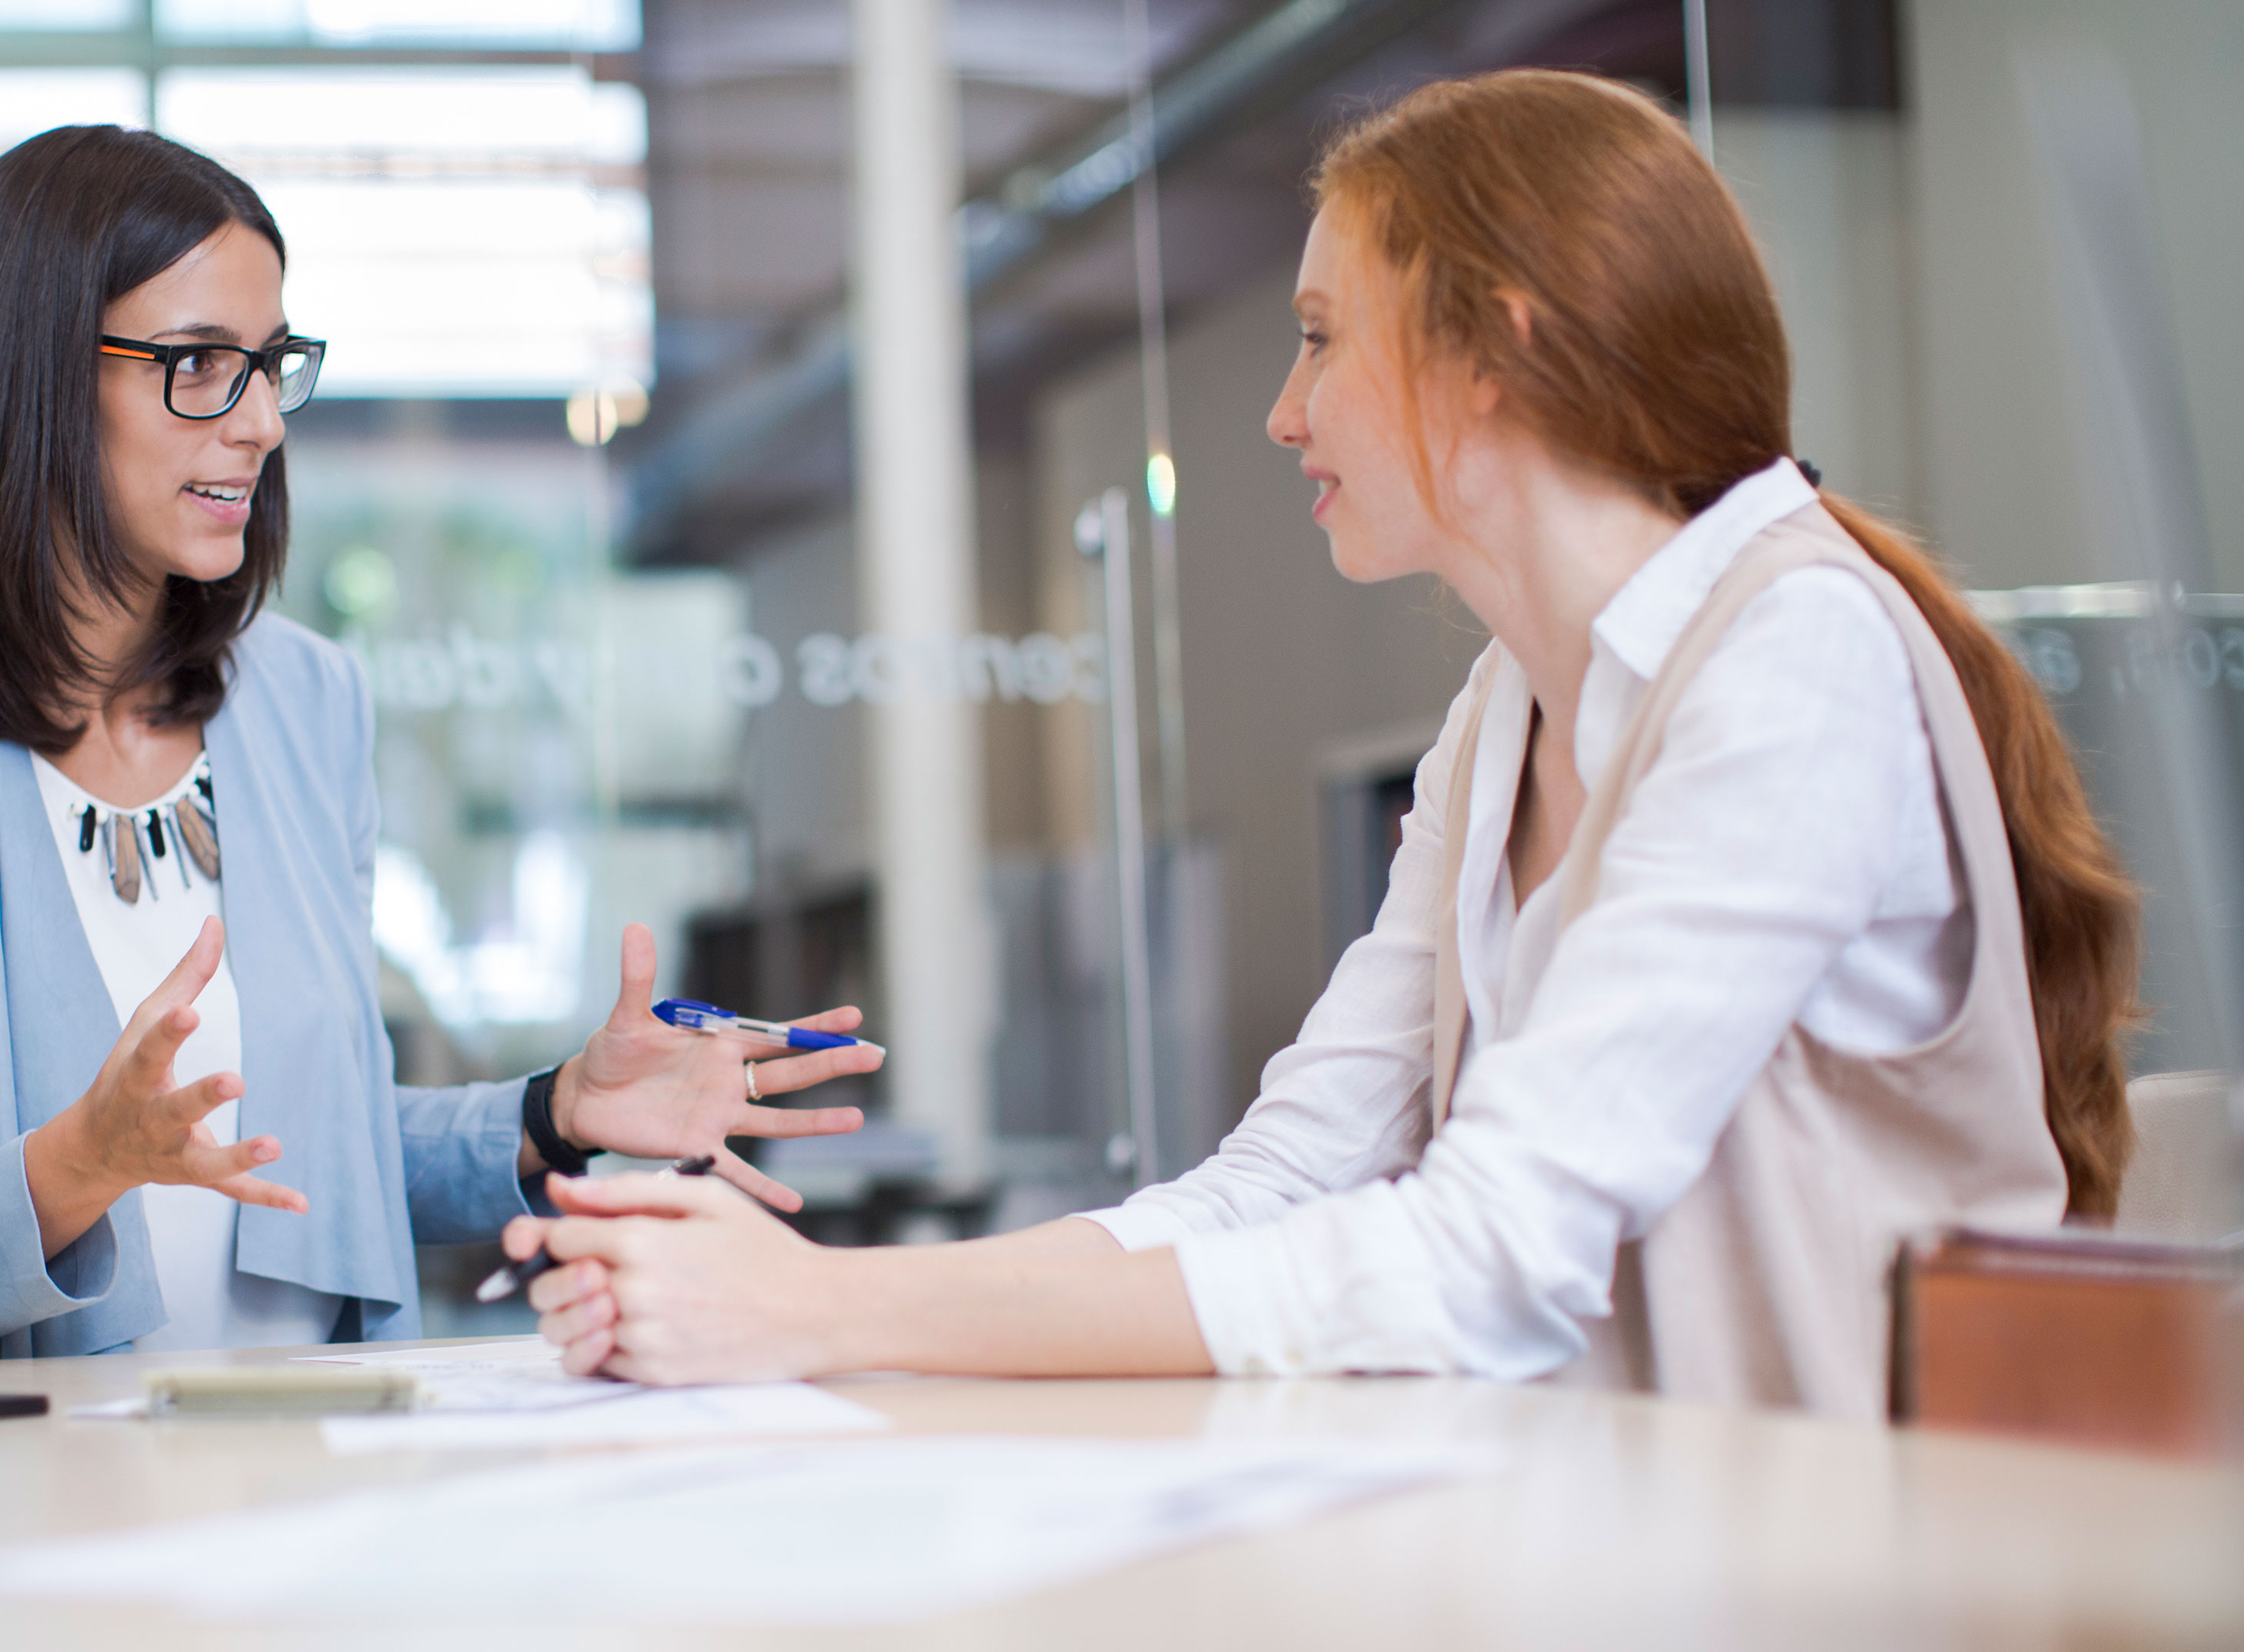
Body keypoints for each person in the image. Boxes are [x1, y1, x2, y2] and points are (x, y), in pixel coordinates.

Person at [504, 69, 2140, 1422]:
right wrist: (795, 1304)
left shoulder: (1796, 660)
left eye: (1316, 335)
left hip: (1860, 1567)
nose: (1282, 414)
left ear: (1485, 351)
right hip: (1628, 1538)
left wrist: (817, 1305)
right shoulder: (1501, 712)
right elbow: (1281, 1181)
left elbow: (1488, 1251)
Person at [0, 126, 879, 1367]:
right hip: (44, 1510)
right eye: (196, 364)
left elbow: (321, 1152)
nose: (258, 426)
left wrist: (558, 1113)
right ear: (30, 376)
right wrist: (78, 1167)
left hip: (316, 1472)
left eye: (269, 365)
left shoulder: (305, 702)